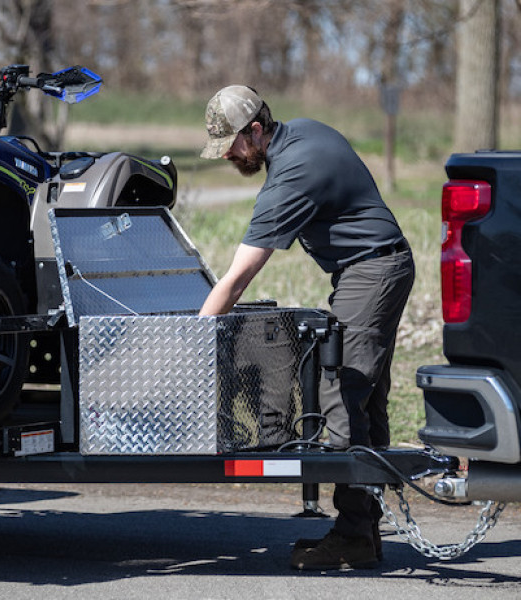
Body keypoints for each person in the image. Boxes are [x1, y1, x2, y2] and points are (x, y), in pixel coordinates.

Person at [199, 85, 415, 570]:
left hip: (372, 270)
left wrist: (193, 341)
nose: (230, 155)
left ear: (256, 130)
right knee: (364, 398)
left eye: (233, 144)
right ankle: (362, 533)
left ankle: (353, 534)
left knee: (340, 393)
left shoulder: (292, 173)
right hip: (375, 267)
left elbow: (237, 279)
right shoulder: (305, 133)